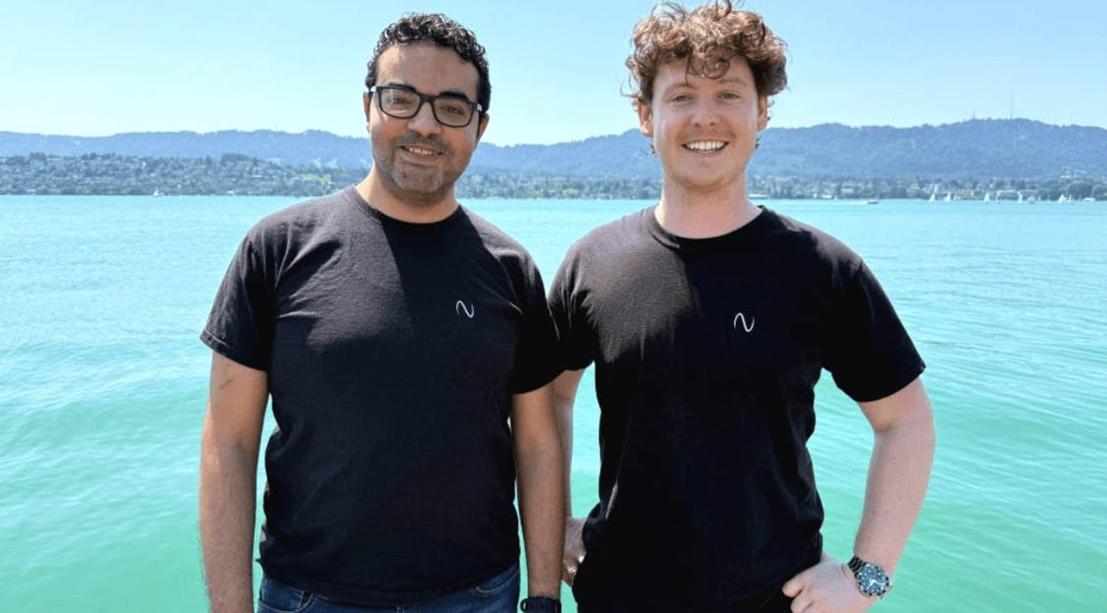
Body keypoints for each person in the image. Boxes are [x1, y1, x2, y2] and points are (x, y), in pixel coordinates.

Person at [549, 2, 936, 611]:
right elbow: (549, 398)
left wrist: (867, 572)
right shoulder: (594, 263)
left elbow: (905, 421)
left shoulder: (822, 269)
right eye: (681, 96)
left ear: (762, 113)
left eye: (728, 94)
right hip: (617, 594)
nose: (705, 116)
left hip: (778, 597)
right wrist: (556, 523)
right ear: (646, 115)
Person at [198, 13, 564, 613]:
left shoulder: (511, 269)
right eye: (401, 99)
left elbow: (538, 442)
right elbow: (228, 443)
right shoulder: (278, 249)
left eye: (452, 107)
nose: (424, 124)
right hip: (309, 594)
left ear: (480, 126)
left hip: (478, 594)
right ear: (367, 106)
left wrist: (543, 597)